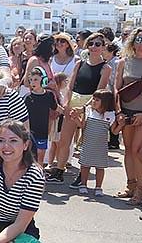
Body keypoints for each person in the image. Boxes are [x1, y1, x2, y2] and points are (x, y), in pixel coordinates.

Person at [47, 32, 111, 184]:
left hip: (91, 106)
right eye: (91, 44)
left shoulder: (105, 68)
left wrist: (83, 109)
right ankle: (59, 171)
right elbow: (70, 86)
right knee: (64, 140)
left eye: (98, 44)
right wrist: (66, 104)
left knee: (86, 144)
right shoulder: (79, 63)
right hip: (72, 104)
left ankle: (82, 177)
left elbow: (99, 92)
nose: (94, 47)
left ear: (103, 47)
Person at [70, 90, 118, 196]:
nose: (93, 102)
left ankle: (98, 187)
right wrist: (75, 118)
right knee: (85, 166)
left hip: (101, 147)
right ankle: (83, 184)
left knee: (100, 167)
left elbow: (114, 131)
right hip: (87, 144)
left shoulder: (110, 115)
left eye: (97, 100)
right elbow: (82, 125)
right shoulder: (88, 111)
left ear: (105, 102)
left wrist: (121, 124)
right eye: (93, 99)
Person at [115, 28, 142, 202]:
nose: (140, 43)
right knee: (129, 151)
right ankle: (130, 185)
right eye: (138, 39)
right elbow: (116, 89)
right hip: (126, 113)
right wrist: (118, 112)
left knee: (137, 151)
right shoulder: (123, 62)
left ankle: (140, 190)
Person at [24, 67, 60, 165]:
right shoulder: (27, 98)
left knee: (40, 158)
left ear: (43, 80)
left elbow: (56, 108)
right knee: (30, 158)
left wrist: (67, 112)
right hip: (30, 133)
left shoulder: (49, 95)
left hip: (43, 132)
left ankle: (40, 173)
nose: (33, 82)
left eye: (36, 79)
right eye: (31, 80)